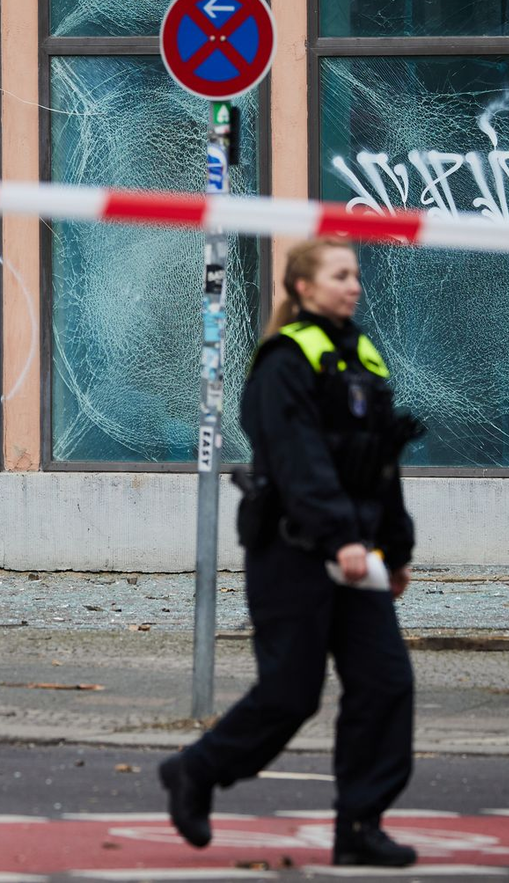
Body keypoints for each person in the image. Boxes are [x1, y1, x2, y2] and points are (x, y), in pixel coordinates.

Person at [159, 237, 422, 869]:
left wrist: (395, 545)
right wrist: (344, 539)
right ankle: (195, 771)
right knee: (290, 693)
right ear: (304, 288)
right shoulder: (283, 361)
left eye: (356, 274)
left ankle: (359, 824)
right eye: (339, 275)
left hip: (356, 553)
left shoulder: (362, 355)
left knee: (386, 685)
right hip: (294, 554)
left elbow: (379, 462)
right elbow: (301, 462)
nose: (353, 285)